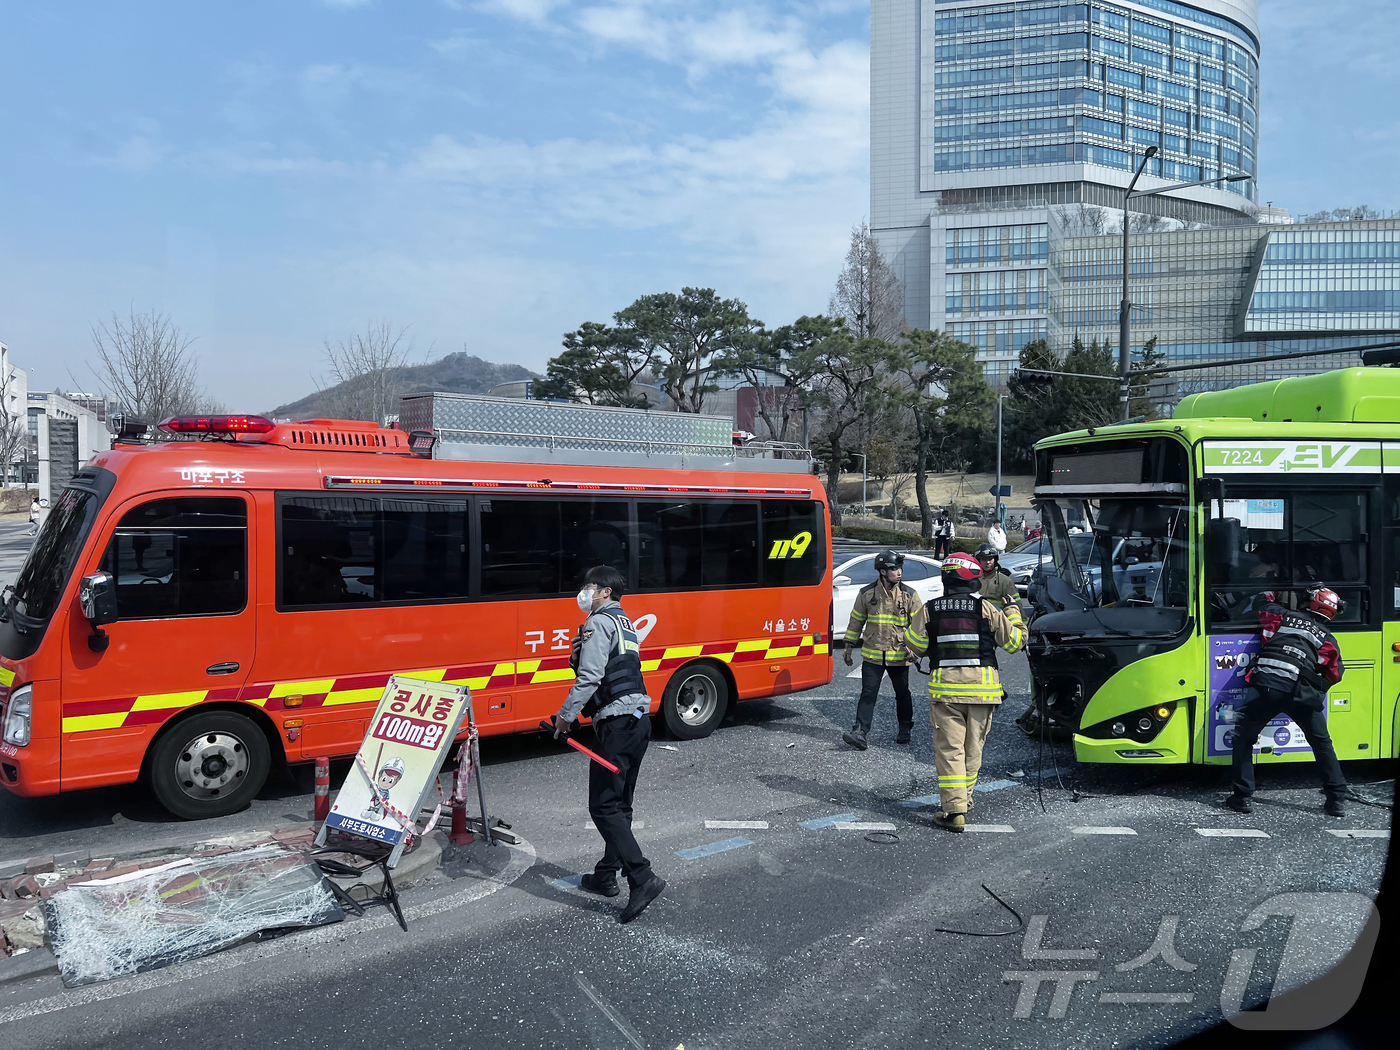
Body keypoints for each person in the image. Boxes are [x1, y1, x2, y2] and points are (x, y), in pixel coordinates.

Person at [552, 565, 666, 923]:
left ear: (604, 592)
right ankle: (606, 875)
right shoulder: (624, 622)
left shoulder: (598, 623)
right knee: (620, 805)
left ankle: (641, 877)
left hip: (617, 725)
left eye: (588, 586)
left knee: (603, 807)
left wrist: (565, 716)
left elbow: (590, 676)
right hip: (637, 722)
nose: (583, 592)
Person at [904, 552, 1025, 832]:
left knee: (950, 752)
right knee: (973, 750)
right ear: (973, 578)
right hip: (983, 693)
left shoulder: (931, 609)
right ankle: (964, 800)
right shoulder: (986, 609)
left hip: (946, 693)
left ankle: (954, 810)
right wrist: (1014, 613)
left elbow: (914, 645)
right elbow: (1015, 643)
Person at [1227, 588, 1348, 817]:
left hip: (1268, 688)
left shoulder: (1282, 616)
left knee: (1244, 739)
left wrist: (1273, 588)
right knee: (1322, 745)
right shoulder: (1327, 638)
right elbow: (1334, 674)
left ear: (1310, 603)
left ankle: (1242, 797)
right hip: (1301, 694)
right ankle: (1337, 801)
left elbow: (1261, 603)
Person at [841, 549, 926, 749]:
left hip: (899, 654)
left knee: (902, 693)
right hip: (873, 654)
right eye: (894, 568)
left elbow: (920, 626)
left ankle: (905, 727)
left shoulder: (909, 595)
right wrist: (848, 645)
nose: (899, 572)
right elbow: (856, 621)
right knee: (868, 693)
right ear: (882, 571)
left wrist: (917, 651)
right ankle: (860, 731)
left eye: (899, 568)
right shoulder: (866, 593)